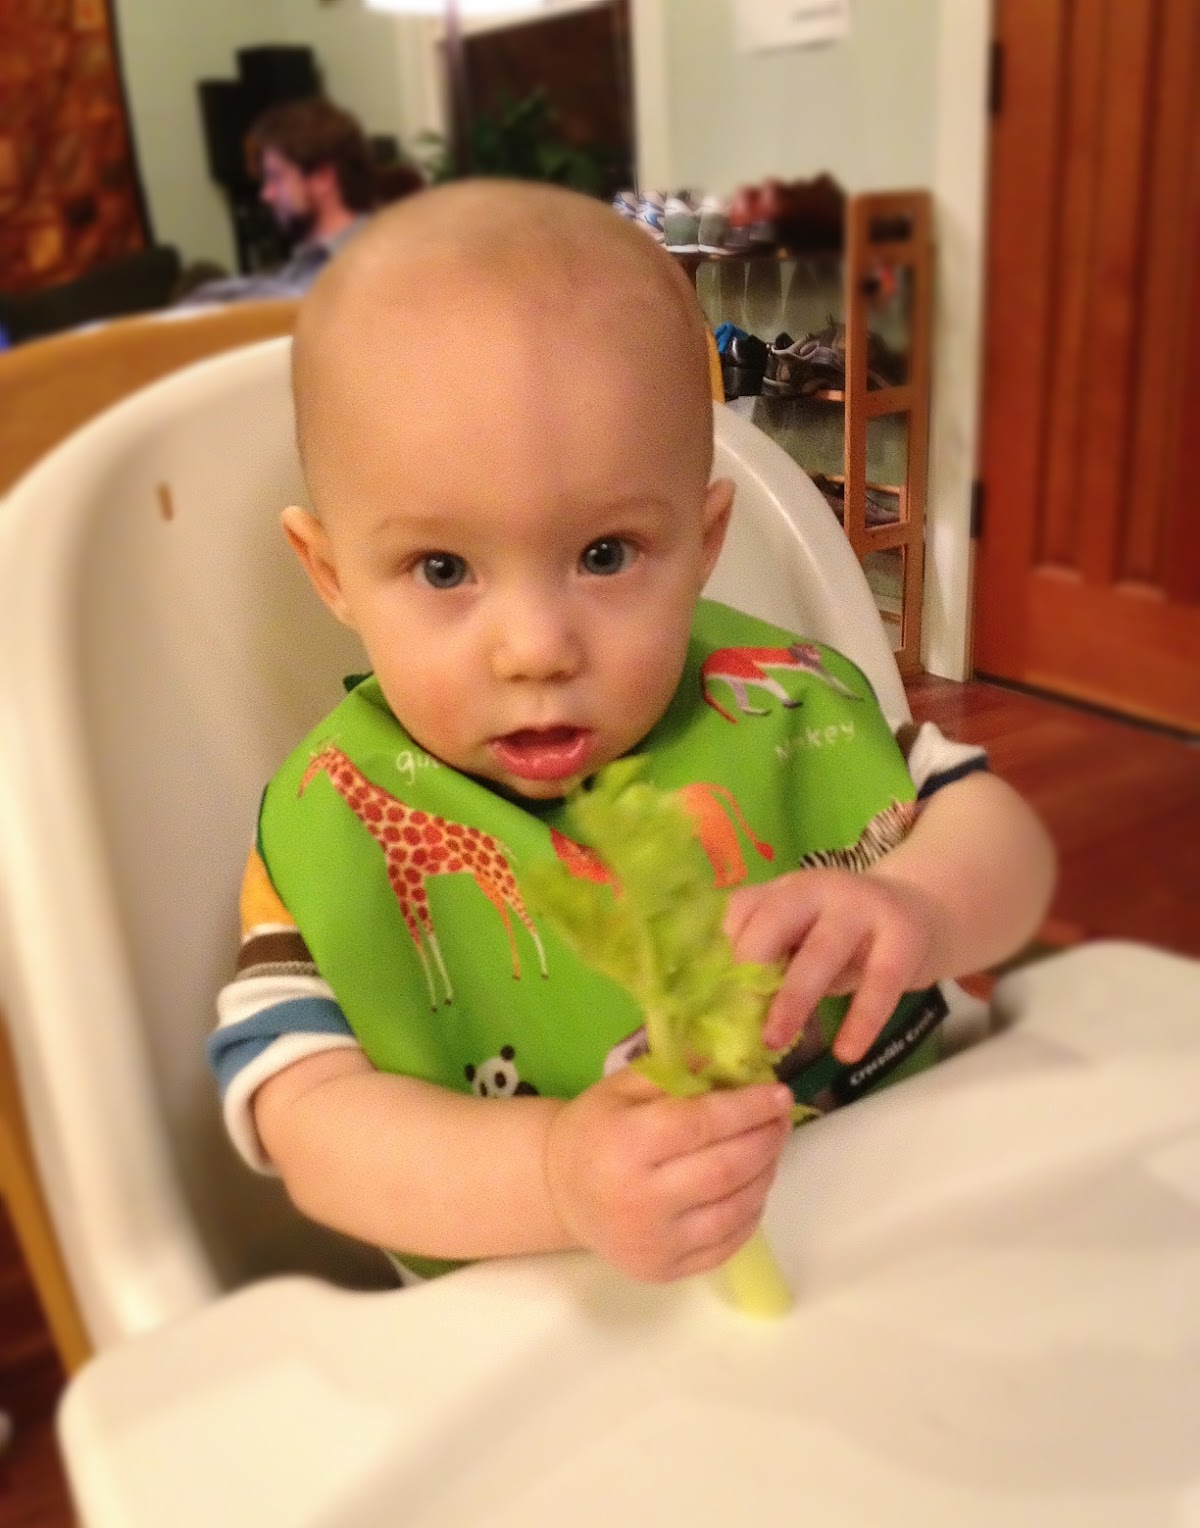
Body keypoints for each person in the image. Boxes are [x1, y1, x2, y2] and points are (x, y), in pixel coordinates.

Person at [207, 180, 1056, 1287]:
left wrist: (923, 906)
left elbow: (1003, 842)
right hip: (561, 1323)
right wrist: (554, 1175)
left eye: (605, 555)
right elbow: (306, 1121)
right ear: (331, 574)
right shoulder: (345, 822)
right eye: (443, 569)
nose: (536, 649)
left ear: (704, 543)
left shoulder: (780, 709)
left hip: (897, 1244)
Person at [181, 97, 381, 306]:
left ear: (323, 178)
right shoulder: (302, 265)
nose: (266, 194)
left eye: (276, 177)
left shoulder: (379, 262)